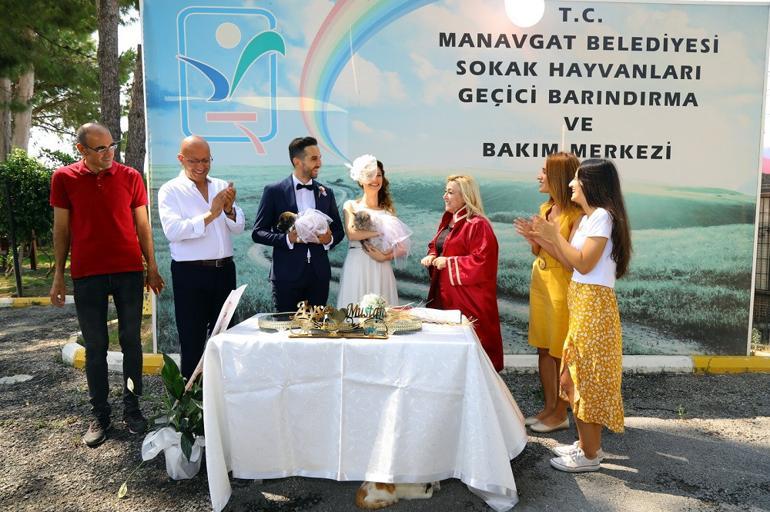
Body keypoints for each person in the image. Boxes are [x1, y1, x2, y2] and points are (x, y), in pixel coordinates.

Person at [49, 122, 164, 447]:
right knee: (96, 347)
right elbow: (61, 229)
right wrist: (59, 274)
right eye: (101, 148)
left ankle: (132, 409)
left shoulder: (130, 177)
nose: (109, 153)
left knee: (131, 341)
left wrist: (151, 267)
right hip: (87, 274)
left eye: (112, 145)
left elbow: (142, 225)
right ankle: (99, 414)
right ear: (81, 150)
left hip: (128, 271)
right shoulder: (64, 179)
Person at [529, 158, 632, 473]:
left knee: (582, 378)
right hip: (580, 300)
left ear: (591, 184)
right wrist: (546, 237)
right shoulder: (590, 218)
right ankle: (589, 446)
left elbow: (585, 263)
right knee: (572, 377)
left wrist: (553, 234)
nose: (571, 184)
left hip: (593, 305)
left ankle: (589, 455)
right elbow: (571, 262)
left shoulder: (602, 216)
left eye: (576, 179)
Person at [157, 135, 245, 380]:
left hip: (225, 271)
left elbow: (238, 228)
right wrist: (211, 213)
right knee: (192, 339)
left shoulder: (219, 185)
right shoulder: (170, 190)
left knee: (227, 337)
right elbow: (173, 231)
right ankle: (191, 406)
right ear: (181, 159)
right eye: (194, 161)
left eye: (206, 160)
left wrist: (227, 210)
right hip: (190, 274)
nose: (201, 166)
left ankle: (224, 396)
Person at [514, 153, 582, 434]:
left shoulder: (575, 214)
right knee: (543, 348)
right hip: (541, 282)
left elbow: (570, 261)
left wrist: (546, 237)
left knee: (559, 352)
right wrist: (534, 239)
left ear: (558, 176)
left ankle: (560, 413)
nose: (539, 176)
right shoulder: (546, 208)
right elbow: (540, 251)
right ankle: (549, 407)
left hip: (560, 286)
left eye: (543, 171)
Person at [421, 175, 503, 371]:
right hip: (445, 295)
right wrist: (433, 255)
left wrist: (449, 262)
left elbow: (482, 261)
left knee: (472, 348)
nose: (444, 196)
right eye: (445, 191)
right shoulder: (449, 220)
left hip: (468, 299)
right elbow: (439, 244)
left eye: (450, 192)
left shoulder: (477, 224)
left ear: (466, 196)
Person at [252, 136, 344, 311]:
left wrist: (328, 240)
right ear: (297, 161)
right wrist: (288, 239)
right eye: (314, 158)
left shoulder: (326, 192)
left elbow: (338, 230)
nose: (319, 163)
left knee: (317, 333)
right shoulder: (274, 191)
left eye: (320, 158)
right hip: (286, 277)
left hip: (319, 277)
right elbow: (258, 232)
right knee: (287, 332)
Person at [337, 156, 411, 308]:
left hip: (381, 267)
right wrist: (380, 233)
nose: (375, 179)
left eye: (378, 175)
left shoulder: (387, 211)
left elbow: (402, 247)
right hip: (357, 263)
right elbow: (352, 234)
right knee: (355, 310)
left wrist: (384, 256)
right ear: (361, 179)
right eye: (370, 175)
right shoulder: (350, 205)